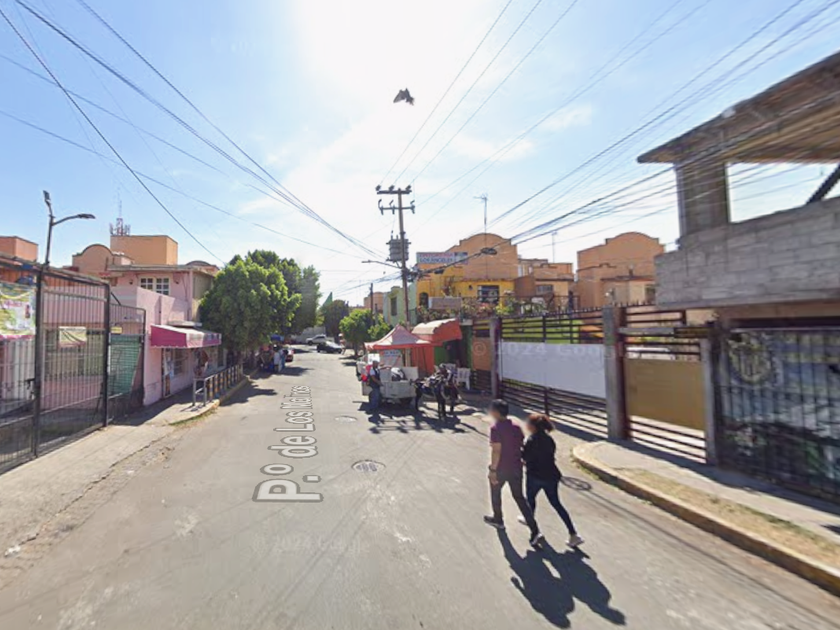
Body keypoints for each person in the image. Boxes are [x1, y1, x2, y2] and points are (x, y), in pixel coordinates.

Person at [484, 399, 543, 547]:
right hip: (516, 468)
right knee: (519, 498)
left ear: (496, 412)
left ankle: (498, 519)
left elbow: (496, 451)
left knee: (495, 492)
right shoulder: (516, 427)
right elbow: (520, 444)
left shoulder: (496, 428)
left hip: (501, 468)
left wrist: (492, 470)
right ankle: (535, 530)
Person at [519, 414, 584, 548]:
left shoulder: (531, 440)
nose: (526, 425)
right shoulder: (549, 439)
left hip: (535, 475)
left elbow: (525, 458)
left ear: (533, 426)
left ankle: (533, 531)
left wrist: (520, 448)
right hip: (551, 475)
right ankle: (573, 534)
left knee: (530, 501)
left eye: (528, 423)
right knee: (556, 503)